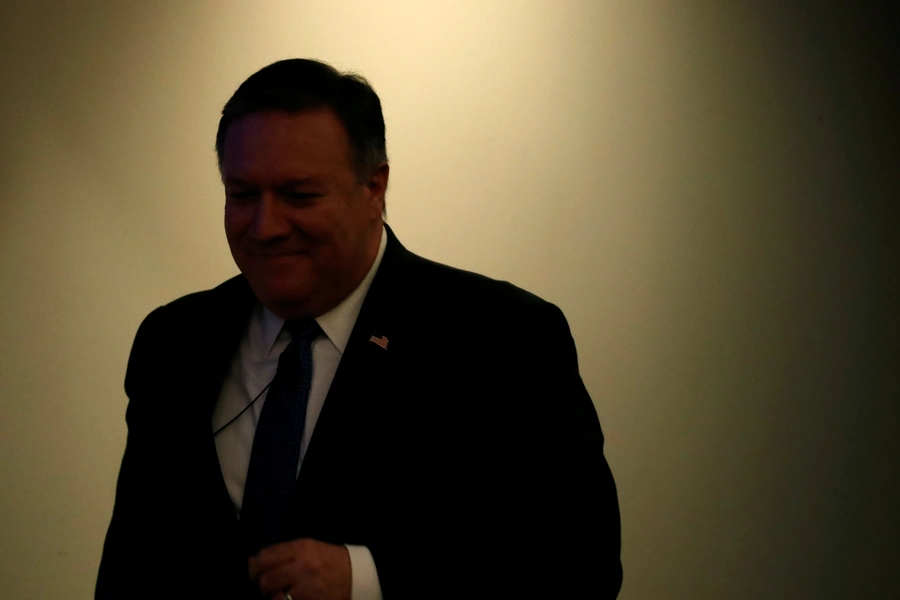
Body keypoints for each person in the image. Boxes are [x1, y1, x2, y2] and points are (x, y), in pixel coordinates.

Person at [96, 58, 622, 600]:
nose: (266, 226)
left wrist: (367, 579)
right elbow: (133, 564)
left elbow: (581, 564)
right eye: (243, 194)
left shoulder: (503, 340)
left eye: (300, 196)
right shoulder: (175, 341)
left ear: (375, 187)